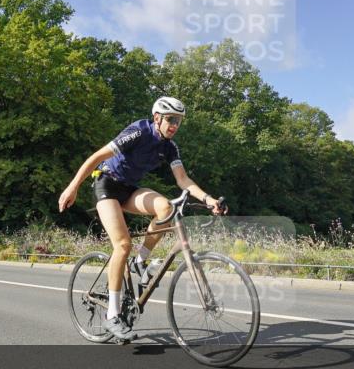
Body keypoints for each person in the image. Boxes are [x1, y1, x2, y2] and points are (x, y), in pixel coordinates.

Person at [58, 97, 227, 341]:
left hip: (129, 189)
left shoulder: (170, 147)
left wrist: (208, 199)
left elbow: (183, 180)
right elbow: (96, 156)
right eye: (170, 119)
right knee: (123, 245)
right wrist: (72, 187)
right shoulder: (138, 131)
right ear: (157, 117)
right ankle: (112, 316)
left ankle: (141, 261)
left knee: (166, 208)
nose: (174, 125)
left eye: (178, 121)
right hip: (106, 184)